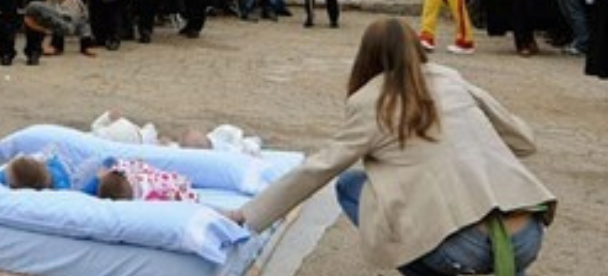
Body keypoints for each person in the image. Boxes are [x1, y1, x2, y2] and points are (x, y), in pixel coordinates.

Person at [230, 18, 555, 274]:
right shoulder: (450, 78)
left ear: (367, 57)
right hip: (527, 235)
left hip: (463, 248)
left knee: (352, 185)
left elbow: (318, 169)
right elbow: (523, 141)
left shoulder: (371, 100)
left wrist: (247, 215)